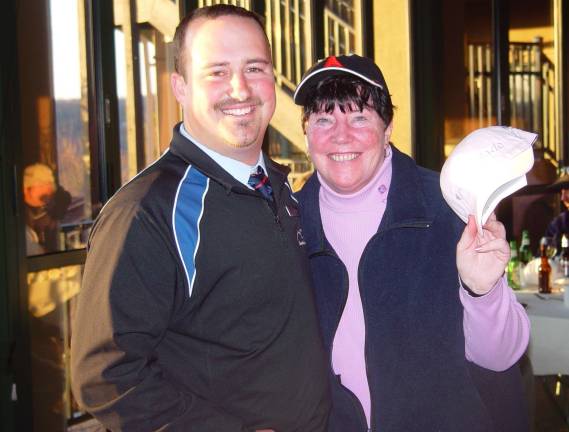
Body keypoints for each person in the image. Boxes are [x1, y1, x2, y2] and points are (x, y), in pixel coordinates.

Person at [70, 5, 330, 431]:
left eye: (254, 67)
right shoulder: (148, 212)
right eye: (216, 72)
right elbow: (106, 375)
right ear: (181, 87)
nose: (240, 89)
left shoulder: (277, 187)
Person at [293, 54, 530, 432]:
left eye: (359, 117)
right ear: (306, 133)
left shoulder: (447, 208)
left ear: (388, 128)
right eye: (323, 119)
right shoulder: (288, 225)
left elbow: (501, 357)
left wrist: (481, 291)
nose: (341, 136)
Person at [23, 163, 71, 254]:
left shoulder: (46, 205)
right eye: (42, 184)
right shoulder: (16, 215)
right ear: (26, 188)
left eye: (51, 185)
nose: (50, 190)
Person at [544, 173, 569, 250]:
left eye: (567, 191)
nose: (563, 198)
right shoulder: (560, 222)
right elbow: (545, 250)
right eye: (562, 192)